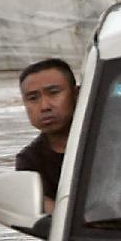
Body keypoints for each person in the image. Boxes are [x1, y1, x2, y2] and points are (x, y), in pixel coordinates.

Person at [15, 58, 78, 214]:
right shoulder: (30, 161)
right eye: (33, 98)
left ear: (76, 94)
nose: (45, 106)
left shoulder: (112, 138)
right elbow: (59, 222)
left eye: (54, 93)